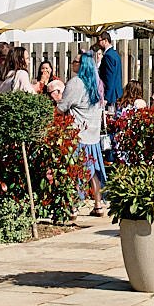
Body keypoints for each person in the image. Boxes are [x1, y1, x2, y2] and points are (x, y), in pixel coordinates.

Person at [58, 51, 108, 216]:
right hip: (93, 134)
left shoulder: (76, 83)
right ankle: (98, 205)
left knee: (75, 171)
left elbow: (62, 107)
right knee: (94, 171)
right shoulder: (97, 83)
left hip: (77, 134)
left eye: (75, 61)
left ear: (82, 65)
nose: (73, 63)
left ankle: (73, 207)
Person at [94, 31, 123, 110]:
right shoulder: (115, 54)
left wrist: (106, 97)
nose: (98, 43)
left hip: (111, 96)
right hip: (116, 93)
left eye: (100, 41)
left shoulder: (108, 56)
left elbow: (109, 77)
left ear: (106, 40)